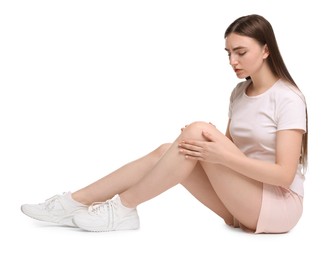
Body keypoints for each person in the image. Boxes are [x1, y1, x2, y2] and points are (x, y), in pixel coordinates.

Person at [21, 14, 308, 234]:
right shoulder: (238, 94)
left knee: (196, 132)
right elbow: (234, 150)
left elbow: (284, 175)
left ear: (266, 50)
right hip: (240, 202)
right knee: (168, 149)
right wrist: (213, 143)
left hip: (277, 206)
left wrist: (213, 147)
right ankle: (74, 202)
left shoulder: (288, 98)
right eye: (228, 53)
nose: (232, 60)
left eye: (241, 52)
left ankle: (123, 207)